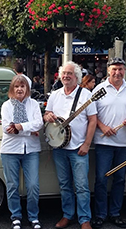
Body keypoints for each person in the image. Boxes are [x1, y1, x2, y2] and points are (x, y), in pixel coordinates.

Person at [44, 61, 97, 229]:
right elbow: (46, 115)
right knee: (65, 185)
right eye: (64, 73)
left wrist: (87, 144)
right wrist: (48, 116)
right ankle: (68, 215)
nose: (66, 76)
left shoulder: (86, 95)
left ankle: (84, 219)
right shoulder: (55, 95)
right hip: (59, 148)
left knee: (81, 186)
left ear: (77, 77)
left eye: (70, 73)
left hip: (78, 148)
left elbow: (93, 120)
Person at [91, 57, 126, 229]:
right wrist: (102, 127)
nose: (117, 72)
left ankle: (115, 213)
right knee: (101, 179)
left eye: (120, 69)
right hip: (103, 142)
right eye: (114, 69)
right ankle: (101, 214)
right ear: (108, 70)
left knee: (120, 179)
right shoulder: (99, 89)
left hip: (124, 143)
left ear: (124, 70)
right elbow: (92, 115)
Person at [0, 75, 44, 229]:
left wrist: (20, 127)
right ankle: (16, 216)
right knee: (12, 185)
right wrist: (29, 130)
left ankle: (33, 216)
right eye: (17, 86)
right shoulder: (6, 106)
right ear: (12, 89)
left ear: (27, 89)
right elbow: (7, 129)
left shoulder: (33, 105)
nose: (19, 89)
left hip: (31, 150)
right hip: (10, 150)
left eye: (23, 86)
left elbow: (39, 123)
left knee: (33, 185)